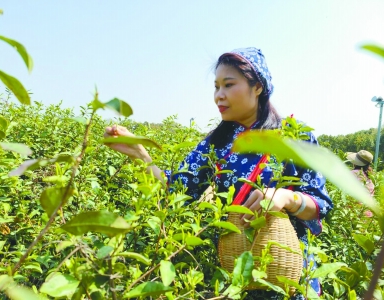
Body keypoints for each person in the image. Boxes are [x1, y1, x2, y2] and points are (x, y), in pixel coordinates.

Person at [104, 47, 333, 299]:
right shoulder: (216, 143)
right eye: (216, 87)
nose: (218, 96)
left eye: (228, 85)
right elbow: (178, 189)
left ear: (257, 87)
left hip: (287, 273)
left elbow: (320, 203)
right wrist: (141, 155)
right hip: (235, 273)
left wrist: (285, 198)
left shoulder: (294, 135)